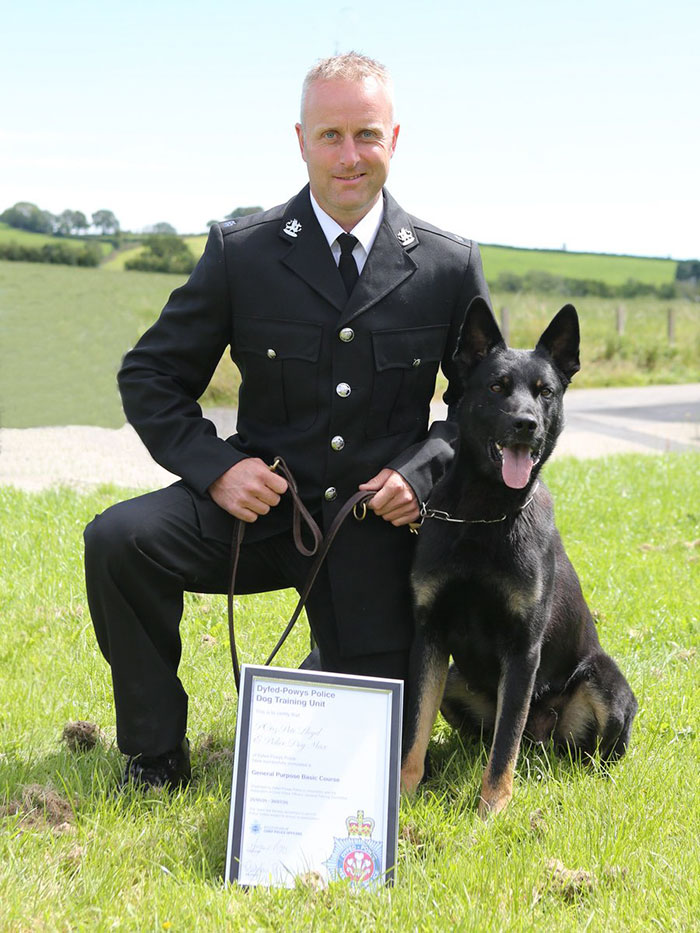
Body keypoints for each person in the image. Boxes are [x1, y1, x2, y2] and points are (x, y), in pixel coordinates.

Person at [84, 52, 490, 789]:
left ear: (394, 140)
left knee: (363, 748)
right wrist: (215, 468)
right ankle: (153, 753)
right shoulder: (243, 253)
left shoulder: (447, 265)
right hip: (263, 513)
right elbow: (150, 375)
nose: (348, 155)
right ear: (299, 139)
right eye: (329, 134)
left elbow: (477, 409)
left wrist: (421, 473)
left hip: (377, 529)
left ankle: (324, 670)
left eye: (366, 134)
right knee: (119, 541)